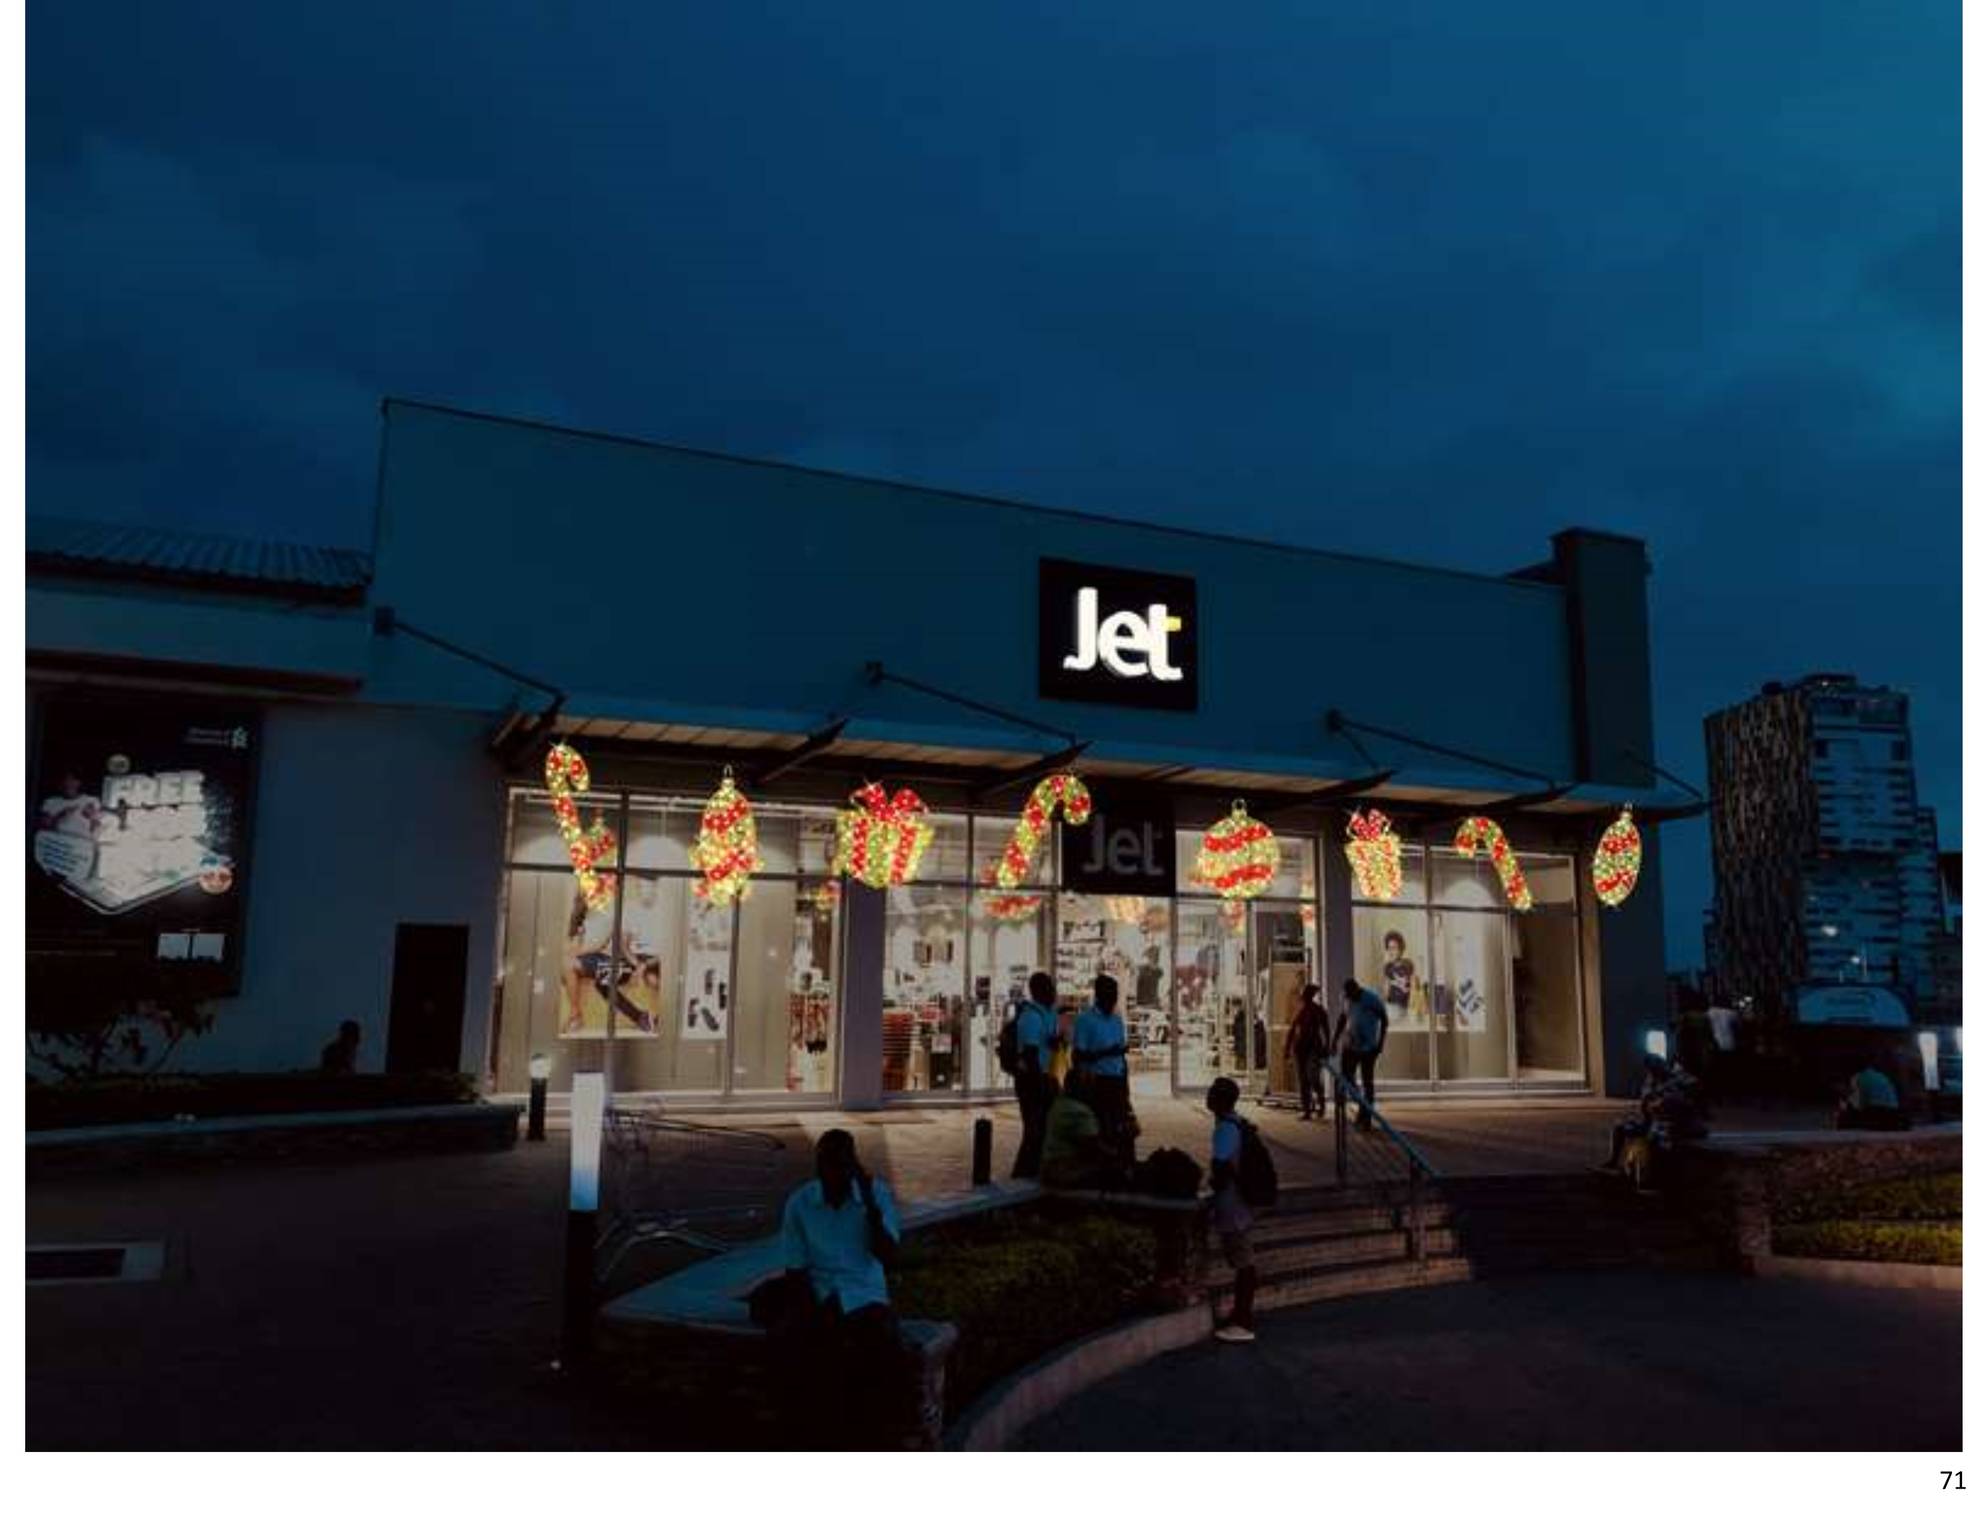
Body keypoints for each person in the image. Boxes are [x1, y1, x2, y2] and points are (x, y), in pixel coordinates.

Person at [775, 1129, 904, 1446]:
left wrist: (869, 1206)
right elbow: (795, 1269)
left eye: (840, 1166)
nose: (832, 1175)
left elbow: (888, 1256)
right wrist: (814, 1311)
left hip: (864, 1294)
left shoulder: (876, 1196)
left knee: (879, 1353)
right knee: (802, 1353)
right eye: (825, 1166)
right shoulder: (800, 1203)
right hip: (820, 1294)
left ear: (852, 1166)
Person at [1205, 1076, 1259, 1343]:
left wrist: (1212, 1187)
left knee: (1243, 1262)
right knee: (1243, 1261)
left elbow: (1221, 1167)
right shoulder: (1236, 1123)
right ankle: (1240, 1314)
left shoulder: (1226, 1129)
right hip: (1241, 1203)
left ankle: (1243, 1320)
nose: (1208, 1097)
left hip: (1233, 1204)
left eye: (1212, 1093)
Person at [1600, 1054, 1705, 1182]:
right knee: (1620, 1127)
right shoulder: (1651, 1082)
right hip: (1653, 1122)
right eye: (1652, 1069)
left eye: (1657, 1066)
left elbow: (1694, 1089)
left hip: (1676, 1124)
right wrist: (1650, 1105)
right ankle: (1613, 1161)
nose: (1654, 1071)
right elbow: (1646, 1102)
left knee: (1656, 1139)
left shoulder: (1679, 1077)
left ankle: (1655, 1175)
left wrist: (1672, 1096)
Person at [1011, 971, 1062, 1179]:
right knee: (1034, 1130)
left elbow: (1043, 1045)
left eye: (1053, 987)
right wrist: (1041, 1083)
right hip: (1031, 1079)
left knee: (1043, 1129)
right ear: (1038, 991)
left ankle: (1035, 1171)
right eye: (1049, 988)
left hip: (1044, 1076)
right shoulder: (1031, 1016)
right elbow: (1030, 1054)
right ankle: (1022, 1174)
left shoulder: (1049, 1014)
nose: (1053, 992)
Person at [1073, 973, 1133, 1153]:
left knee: (1121, 1131)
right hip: (1096, 1082)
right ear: (1099, 995)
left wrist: (1125, 1085)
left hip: (1116, 1080)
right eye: (1110, 994)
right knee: (1100, 1131)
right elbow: (1078, 1056)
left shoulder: (1117, 1021)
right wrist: (1106, 1053)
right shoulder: (1085, 1020)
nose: (1113, 999)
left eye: (1115, 994)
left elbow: (1120, 1055)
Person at [1040, 1075, 1129, 1190]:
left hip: (1050, 1167)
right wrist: (1118, 1151)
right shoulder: (1079, 1111)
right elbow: (1092, 1146)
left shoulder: (1059, 1104)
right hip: (1065, 1171)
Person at [1337, 979, 1389, 1130]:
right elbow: (1343, 1018)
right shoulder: (1346, 998)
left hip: (1368, 1047)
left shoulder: (1371, 999)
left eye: (1351, 995)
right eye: (1347, 995)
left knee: (1367, 1081)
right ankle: (1361, 1105)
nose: (1350, 998)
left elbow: (1384, 1019)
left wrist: (1380, 1043)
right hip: (1349, 1046)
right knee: (1346, 1077)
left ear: (1357, 990)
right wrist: (1335, 1039)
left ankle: (1366, 1117)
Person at [1284, 983, 1332, 1120]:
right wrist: (1287, 1048)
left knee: (1313, 1077)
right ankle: (1307, 1110)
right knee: (1303, 1080)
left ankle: (1321, 1103)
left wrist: (1327, 1046)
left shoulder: (1318, 1010)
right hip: (1300, 1047)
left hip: (1314, 1047)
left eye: (1307, 994)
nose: (1304, 997)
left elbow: (1326, 1029)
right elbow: (1292, 1029)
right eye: (1304, 995)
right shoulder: (1300, 1010)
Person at [1836, 1061, 1908, 1131]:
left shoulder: (1857, 1078)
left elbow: (1857, 1105)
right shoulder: (1880, 1076)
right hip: (1894, 1113)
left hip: (1876, 1112)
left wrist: (1845, 1103)